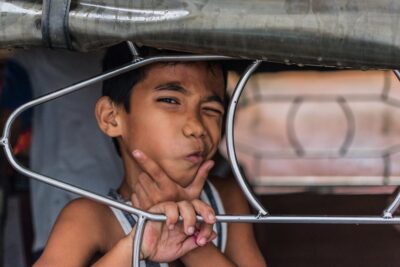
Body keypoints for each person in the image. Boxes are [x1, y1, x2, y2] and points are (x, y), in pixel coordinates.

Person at [34, 43, 267, 266]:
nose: (196, 127)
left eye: (211, 110)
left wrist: (189, 238)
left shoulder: (225, 198)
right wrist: (135, 247)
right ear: (111, 117)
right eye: (170, 100)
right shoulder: (90, 219)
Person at [3, 48, 124, 261]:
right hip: (119, 201)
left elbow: (7, 129)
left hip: (59, 200)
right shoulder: (118, 51)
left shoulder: (31, 59)